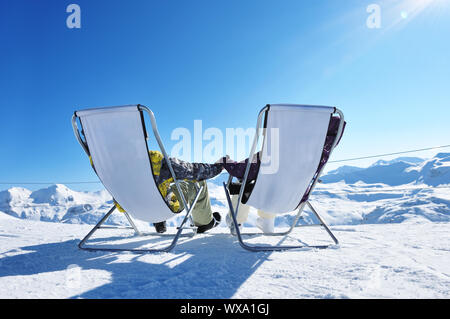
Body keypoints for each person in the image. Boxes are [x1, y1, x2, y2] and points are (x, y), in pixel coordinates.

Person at [146, 150, 224, 234]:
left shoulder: (130, 162)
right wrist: (218, 166)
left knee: (164, 186)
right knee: (197, 181)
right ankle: (204, 223)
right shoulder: (154, 159)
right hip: (164, 206)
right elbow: (194, 171)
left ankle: (159, 220)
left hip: (138, 210)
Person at [219, 153, 276, 235]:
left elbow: (238, 170)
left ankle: (236, 221)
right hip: (293, 200)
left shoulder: (268, 155)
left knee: (244, 180)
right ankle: (268, 221)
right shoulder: (294, 158)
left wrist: (225, 161)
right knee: (271, 183)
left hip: (262, 162)